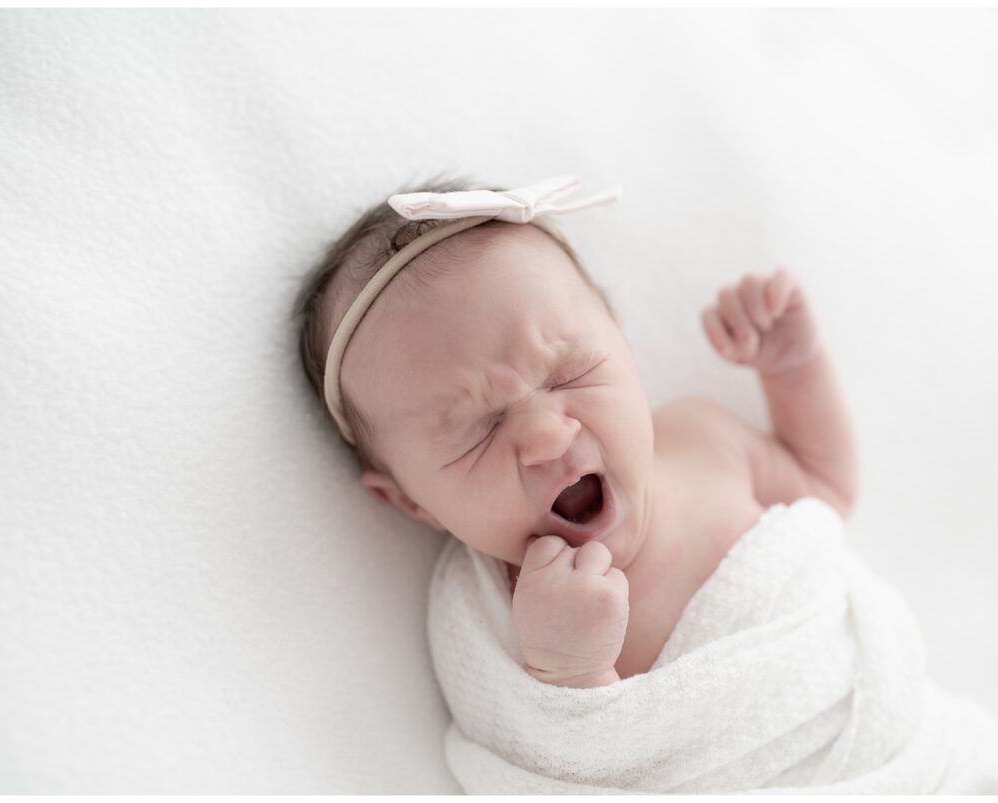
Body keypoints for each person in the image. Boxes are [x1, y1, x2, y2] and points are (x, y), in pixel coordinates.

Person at [294, 174, 855, 687]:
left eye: (569, 371)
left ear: (621, 340)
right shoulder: (498, 623)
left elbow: (824, 491)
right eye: (478, 429)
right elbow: (567, 776)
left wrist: (794, 368)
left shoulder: (703, 439)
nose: (547, 436)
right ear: (411, 502)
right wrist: (570, 672)